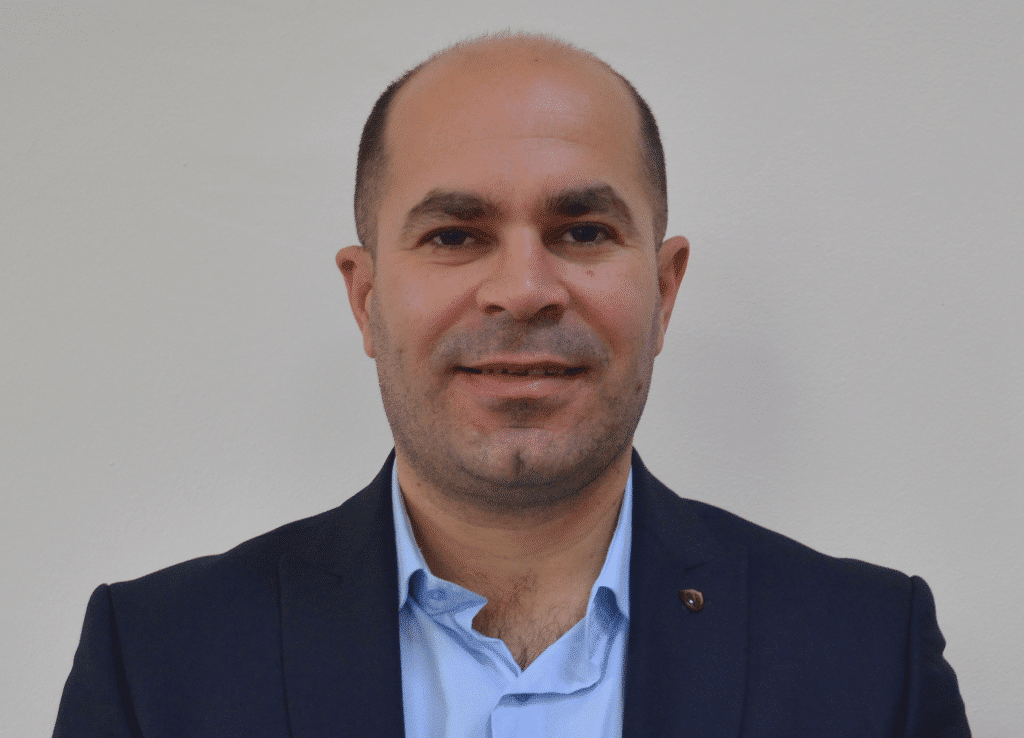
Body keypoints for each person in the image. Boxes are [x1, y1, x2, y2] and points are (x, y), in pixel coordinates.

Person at [54, 32, 970, 737]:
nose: (525, 290)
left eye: (583, 231)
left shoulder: (869, 657)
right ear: (367, 299)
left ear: (663, 290)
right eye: (455, 236)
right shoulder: (157, 663)